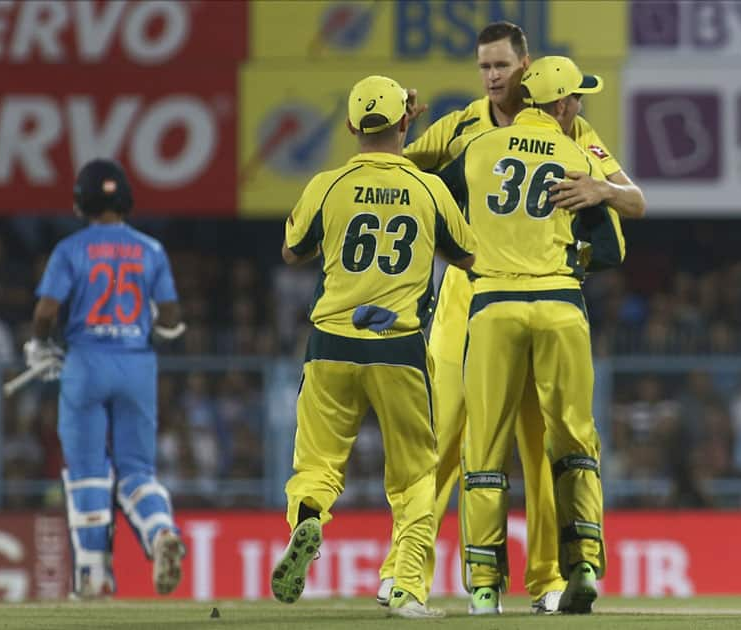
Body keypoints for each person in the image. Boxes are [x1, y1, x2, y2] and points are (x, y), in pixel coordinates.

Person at [377, 21, 645, 615]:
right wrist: (401, 129)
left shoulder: (570, 127)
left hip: (497, 299)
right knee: (443, 439)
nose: (493, 76)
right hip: (468, 303)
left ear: (527, 67)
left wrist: (600, 190)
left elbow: (631, 196)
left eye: (502, 65)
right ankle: (405, 574)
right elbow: (397, 170)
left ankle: (541, 578)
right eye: (485, 67)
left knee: (534, 442)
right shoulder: (465, 123)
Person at [270, 75, 476, 619]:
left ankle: (309, 517)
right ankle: (406, 589)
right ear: (406, 122)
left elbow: (292, 251)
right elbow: (468, 255)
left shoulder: (327, 185)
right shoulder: (429, 188)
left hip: (331, 344)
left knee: (316, 462)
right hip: (399, 347)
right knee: (414, 476)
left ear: (349, 126)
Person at [439, 55, 622, 615]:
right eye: (578, 101)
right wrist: (574, 256)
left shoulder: (479, 151)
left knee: (487, 449)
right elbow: (613, 250)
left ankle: (487, 587)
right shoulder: (576, 157)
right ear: (561, 105)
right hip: (561, 308)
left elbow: (433, 210)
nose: (580, 108)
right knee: (573, 442)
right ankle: (584, 563)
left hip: (493, 308)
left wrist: (471, 257)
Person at [27, 159, 187, 599]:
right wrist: (164, 326)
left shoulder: (71, 249)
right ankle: (159, 533)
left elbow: (45, 312)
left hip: (86, 363)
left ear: (82, 202)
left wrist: (39, 347)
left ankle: (94, 576)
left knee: (88, 472)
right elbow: (171, 314)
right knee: (138, 470)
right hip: (137, 365)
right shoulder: (151, 250)